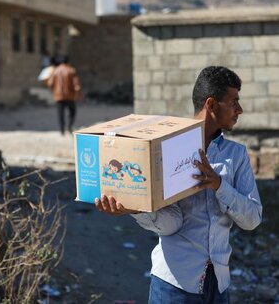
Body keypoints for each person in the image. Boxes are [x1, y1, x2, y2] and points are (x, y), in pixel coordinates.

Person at [94, 66, 262, 303]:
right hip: (174, 284)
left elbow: (252, 218)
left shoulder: (236, 155)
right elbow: (170, 223)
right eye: (233, 102)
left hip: (219, 286)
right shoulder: (168, 149)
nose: (240, 110)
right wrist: (134, 209)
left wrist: (219, 186)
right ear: (211, 105)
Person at [47, 55, 82, 134]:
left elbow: (50, 83)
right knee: (72, 112)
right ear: (68, 61)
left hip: (58, 96)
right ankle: (69, 126)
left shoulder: (55, 71)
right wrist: (78, 94)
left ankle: (62, 130)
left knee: (60, 114)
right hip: (70, 96)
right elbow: (77, 85)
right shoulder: (71, 70)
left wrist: (53, 91)